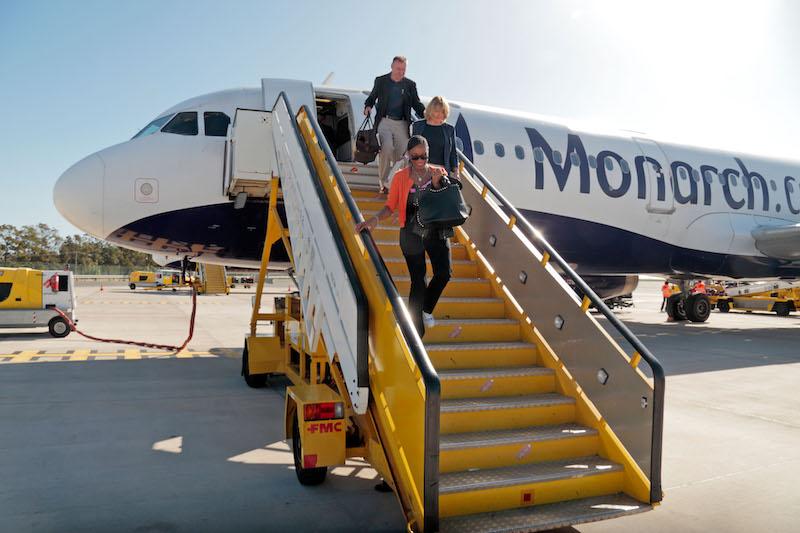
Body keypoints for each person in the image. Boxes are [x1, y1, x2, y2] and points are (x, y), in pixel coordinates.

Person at [355, 136, 451, 335]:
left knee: (444, 273)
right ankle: (415, 332)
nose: (420, 161)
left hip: (435, 229)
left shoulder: (438, 172)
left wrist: (435, 184)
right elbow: (390, 206)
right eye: (415, 157)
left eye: (423, 156)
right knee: (418, 280)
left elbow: (446, 202)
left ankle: (426, 309)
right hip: (411, 231)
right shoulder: (400, 177)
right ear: (408, 155)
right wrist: (374, 220)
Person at [364, 56, 426, 194]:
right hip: (384, 121)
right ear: (392, 66)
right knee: (386, 148)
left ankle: (391, 183)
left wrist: (426, 115)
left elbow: (416, 103)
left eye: (403, 70)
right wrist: (368, 106)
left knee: (401, 156)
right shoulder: (381, 81)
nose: (401, 72)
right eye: (398, 69)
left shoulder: (410, 85)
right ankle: (383, 183)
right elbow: (372, 97)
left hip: (402, 123)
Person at [411, 96, 459, 179]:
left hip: (440, 171)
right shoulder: (418, 126)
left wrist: (456, 172)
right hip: (421, 169)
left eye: (442, 112)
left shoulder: (449, 130)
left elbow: (453, 153)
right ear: (431, 110)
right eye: (437, 111)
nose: (439, 114)